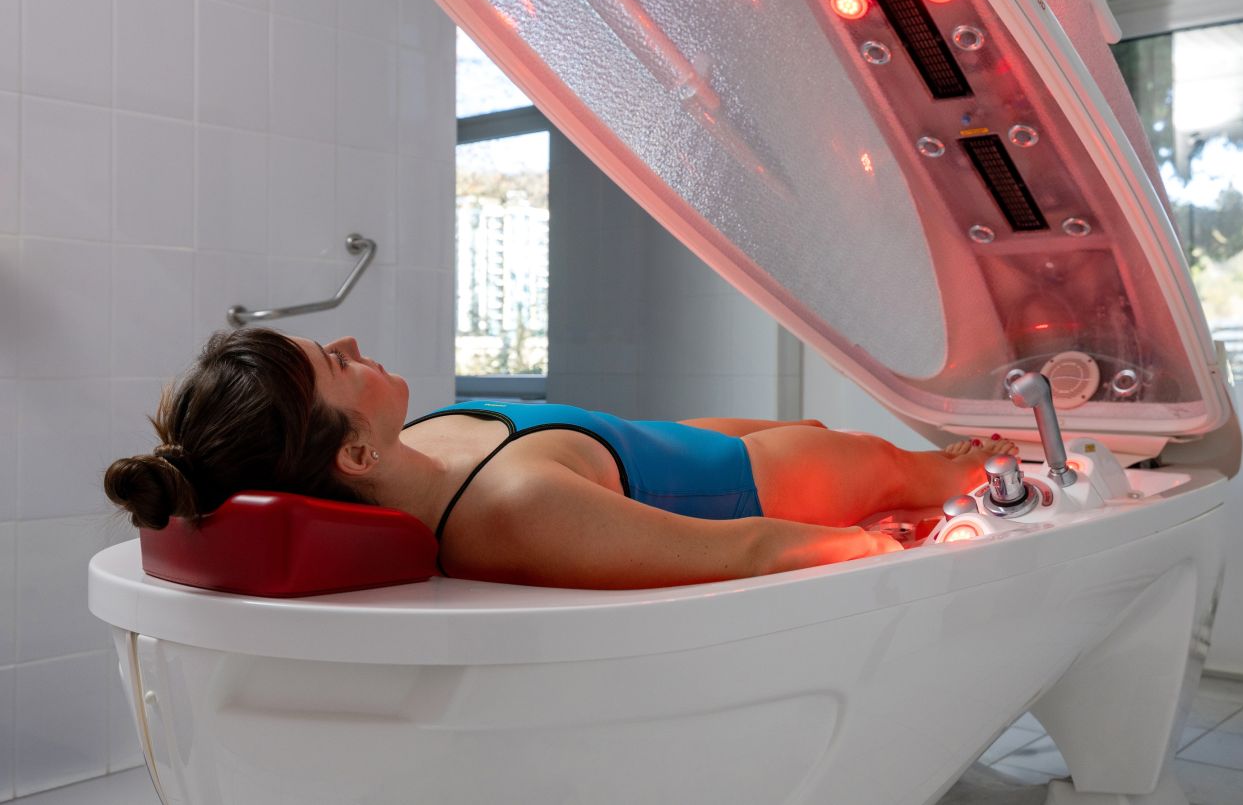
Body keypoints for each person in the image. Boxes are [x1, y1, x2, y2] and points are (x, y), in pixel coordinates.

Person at [104, 328, 1017, 590]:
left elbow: (598, 442)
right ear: (355, 451)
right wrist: (880, 548)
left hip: (676, 443)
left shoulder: (417, 450)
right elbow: (742, 550)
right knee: (934, 470)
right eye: (335, 365)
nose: (348, 341)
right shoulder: (510, 512)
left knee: (833, 429)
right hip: (751, 486)